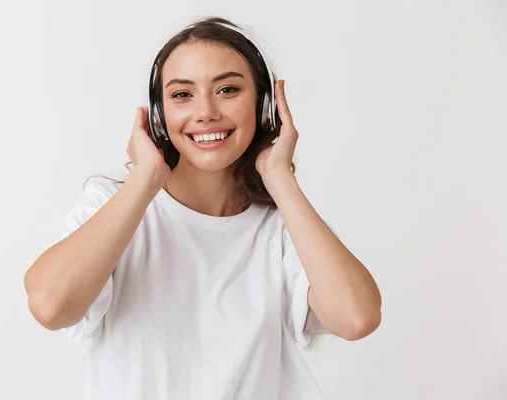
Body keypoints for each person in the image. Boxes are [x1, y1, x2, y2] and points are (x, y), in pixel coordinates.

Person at [24, 16, 382, 400]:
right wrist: (146, 178)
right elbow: (51, 306)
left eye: (228, 89)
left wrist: (279, 178)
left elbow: (356, 318)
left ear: (265, 105)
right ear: (159, 113)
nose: (206, 111)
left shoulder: (284, 226)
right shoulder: (113, 204)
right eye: (182, 95)